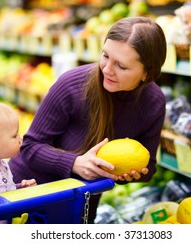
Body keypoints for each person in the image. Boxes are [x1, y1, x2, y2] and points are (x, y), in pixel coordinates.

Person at [9, 16, 167, 223]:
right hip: (30, 195)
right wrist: (75, 163)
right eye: (105, 56)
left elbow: (150, 167)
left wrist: (130, 173)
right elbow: (30, 146)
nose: (107, 69)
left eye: (121, 66)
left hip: (80, 203)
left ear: (147, 73)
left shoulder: (154, 102)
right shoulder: (72, 85)